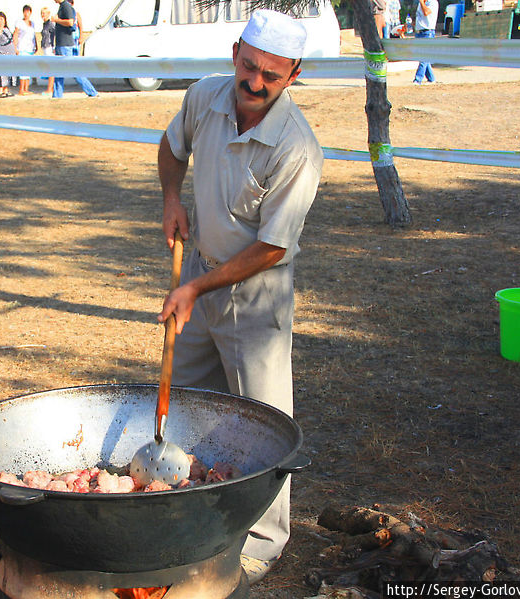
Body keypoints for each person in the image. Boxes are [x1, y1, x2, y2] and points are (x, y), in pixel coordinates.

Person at [156, 8, 322, 585]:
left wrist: (194, 287)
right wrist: (172, 200)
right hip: (201, 273)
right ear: (234, 55)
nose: (254, 83)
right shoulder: (205, 97)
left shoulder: (296, 147)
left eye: (270, 76)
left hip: (256, 294)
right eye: (248, 66)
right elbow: (172, 147)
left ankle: (261, 543)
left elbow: (273, 247)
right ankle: (188, 506)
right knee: (189, 398)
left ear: (293, 75)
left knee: (264, 419)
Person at [49, 0, 97, 98]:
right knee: (58, 71)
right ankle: (57, 95)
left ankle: (92, 92)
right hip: (61, 44)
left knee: (73, 70)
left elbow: (70, 22)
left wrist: (56, 20)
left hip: (65, 45)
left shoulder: (66, 6)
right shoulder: (62, 6)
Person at [12, 4, 37, 95]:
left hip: (30, 48)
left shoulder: (32, 23)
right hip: (22, 48)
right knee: (23, 69)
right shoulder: (19, 22)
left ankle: (26, 89)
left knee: (29, 70)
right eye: (25, 12)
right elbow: (15, 34)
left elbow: (33, 36)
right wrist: (15, 48)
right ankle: (21, 89)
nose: (26, 14)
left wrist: (36, 46)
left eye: (28, 12)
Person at [413, 0, 438, 83]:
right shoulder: (421, 3)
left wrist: (422, 2)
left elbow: (426, 12)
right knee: (423, 57)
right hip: (419, 31)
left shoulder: (432, 2)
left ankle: (418, 79)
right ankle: (431, 78)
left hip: (427, 32)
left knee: (424, 57)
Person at [39, 6, 54, 96]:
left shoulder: (51, 24)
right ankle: (50, 88)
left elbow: (55, 35)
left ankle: (50, 89)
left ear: (48, 14)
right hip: (45, 47)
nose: (43, 15)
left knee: (51, 69)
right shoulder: (44, 24)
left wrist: (54, 47)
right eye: (42, 13)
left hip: (50, 47)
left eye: (44, 13)